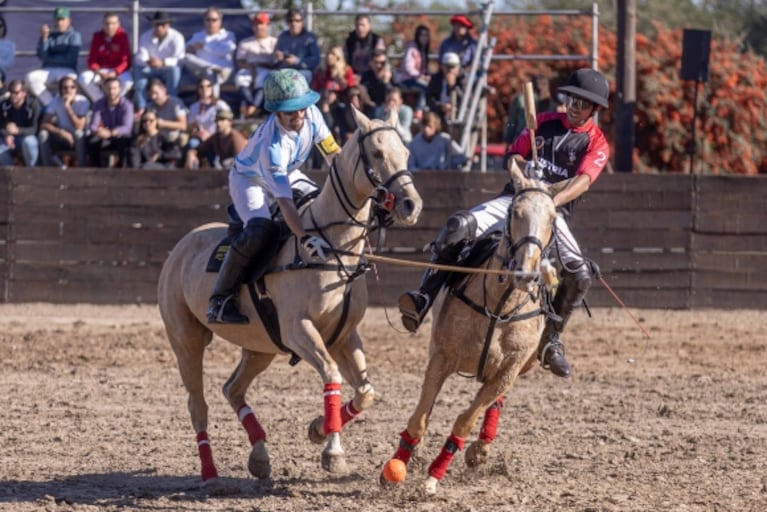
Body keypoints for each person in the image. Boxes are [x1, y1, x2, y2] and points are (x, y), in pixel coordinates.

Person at [398, 68, 611, 379]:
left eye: (583, 103)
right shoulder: (543, 123)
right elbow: (513, 156)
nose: (575, 107)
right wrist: (523, 174)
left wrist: (550, 198)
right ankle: (423, 299)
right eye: (572, 99)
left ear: (595, 109)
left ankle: (550, 341)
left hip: (552, 212)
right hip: (515, 200)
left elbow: (583, 181)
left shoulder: (597, 143)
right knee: (457, 227)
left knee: (579, 274)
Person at [207, 68, 342, 324]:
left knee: (319, 205)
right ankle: (220, 300)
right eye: (291, 110)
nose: (299, 114)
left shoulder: (313, 114)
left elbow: (334, 155)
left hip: (289, 170)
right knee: (260, 229)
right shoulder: (273, 146)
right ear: (276, 111)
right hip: (250, 179)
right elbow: (285, 201)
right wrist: (304, 238)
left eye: (302, 107)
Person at [26, 7, 82, 107]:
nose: (60, 23)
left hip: (67, 69)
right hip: (48, 69)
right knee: (31, 77)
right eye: (58, 20)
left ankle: (66, 107)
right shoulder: (48, 35)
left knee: (69, 82)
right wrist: (44, 39)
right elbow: (42, 56)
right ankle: (51, 105)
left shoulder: (75, 35)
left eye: (62, 19)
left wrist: (50, 58)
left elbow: (70, 58)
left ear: (69, 20)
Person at [133, 11, 186, 114]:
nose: (159, 27)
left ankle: (171, 104)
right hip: (150, 67)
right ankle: (142, 108)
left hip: (166, 68)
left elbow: (179, 58)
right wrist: (148, 61)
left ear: (168, 25)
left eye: (162, 25)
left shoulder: (177, 37)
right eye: (157, 24)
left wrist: (163, 62)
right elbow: (140, 56)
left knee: (174, 71)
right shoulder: (145, 36)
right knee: (138, 71)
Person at [78, 12, 133, 103]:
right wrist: (99, 72)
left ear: (118, 24)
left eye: (113, 24)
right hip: (101, 70)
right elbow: (92, 60)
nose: (110, 26)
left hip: (117, 71)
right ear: (103, 24)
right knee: (83, 78)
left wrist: (115, 72)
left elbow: (126, 61)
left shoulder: (123, 36)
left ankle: (115, 102)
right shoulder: (97, 36)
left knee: (128, 82)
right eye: (107, 23)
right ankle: (101, 102)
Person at [183, 7, 237, 98]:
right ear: (204, 21)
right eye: (208, 20)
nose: (210, 23)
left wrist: (204, 47)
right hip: (201, 71)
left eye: (214, 20)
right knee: (186, 57)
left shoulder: (228, 35)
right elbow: (184, 50)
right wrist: (190, 48)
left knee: (210, 73)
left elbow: (227, 50)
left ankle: (214, 101)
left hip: (223, 72)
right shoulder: (198, 35)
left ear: (220, 21)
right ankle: (212, 67)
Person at [38, 76, 90, 168]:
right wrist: (61, 132)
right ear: (60, 90)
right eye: (65, 88)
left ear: (76, 89)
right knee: (43, 134)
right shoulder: (56, 100)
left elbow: (79, 126)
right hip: (62, 135)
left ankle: (82, 168)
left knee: (78, 133)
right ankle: (46, 169)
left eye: (72, 87)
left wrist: (67, 106)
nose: (68, 90)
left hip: (79, 137)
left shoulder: (83, 101)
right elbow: (44, 123)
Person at [234, 12, 277, 118]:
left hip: (266, 69)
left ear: (267, 25)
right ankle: (251, 104)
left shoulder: (274, 42)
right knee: (240, 77)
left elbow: (277, 62)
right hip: (249, 68)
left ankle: (253, 106)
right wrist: (251, 68)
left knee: (262, 78)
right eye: (256, 24)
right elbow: (240, 61)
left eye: (261, 23)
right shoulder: (245, 42)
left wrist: (261, 67)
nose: (258, 26)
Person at [87, 77, 134, 167]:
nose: (111, 91)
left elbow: (127, 127)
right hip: (105, 135)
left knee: (125, 141)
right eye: (109, 88)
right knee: (92, 141)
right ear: (104, 89)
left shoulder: (127, 105)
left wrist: (111, 132)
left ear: (119, 89)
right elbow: (93, 125)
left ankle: (122, 171)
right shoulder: (99, 104)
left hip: (120, 135)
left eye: (114, 88)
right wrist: (98, 131)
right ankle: (96, 171)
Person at [503, 75, 557, 146]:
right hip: (526, 140)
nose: (540, 88)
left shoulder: (552, 104)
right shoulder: (521, 101)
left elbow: (511, 123)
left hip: (537, 141)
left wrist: (508, 141)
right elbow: (511, 123)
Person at [0, 80, 42, 166]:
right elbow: (1, 124)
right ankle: (9, 173)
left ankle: (32, 171)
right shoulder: (4, 104)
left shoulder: (33, 105)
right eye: (11, 92)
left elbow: (35, 129)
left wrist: (17, 131)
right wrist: (6, 134)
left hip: (27, 137)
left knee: (29, 142)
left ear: (24, 93)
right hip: (10, 138)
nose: (12, 95)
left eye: (16, 92)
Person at [273, 9, 321, 84]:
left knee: (296, 78)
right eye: (291, 21)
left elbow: (316, 60)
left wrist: (296, 61)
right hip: (285, 70)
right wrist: (278, 58)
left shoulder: (310, 37)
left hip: (304, 72)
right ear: (287, 23)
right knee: (270, 77)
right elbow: (275, 59)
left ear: (302, 22)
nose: (294, 23)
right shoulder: (282, 37)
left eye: (297, 20)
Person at [186, 77, 231, 150]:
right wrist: (197, 132)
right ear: (198, 89)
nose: (205, 89)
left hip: (217, 137)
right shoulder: (194, 107)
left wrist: (210, 135)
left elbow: (228, 123)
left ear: (212, 88)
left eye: (208, 86)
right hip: (200, 138)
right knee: (192, 144)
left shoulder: (220, 105)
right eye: (201, 87)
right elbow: (191, 127)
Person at [396, 25, 431, 117]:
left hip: (417, 78)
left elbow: (423, 69)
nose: (424, 38)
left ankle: (427, 108)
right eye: (422, 35)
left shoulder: (423, 50)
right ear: (417, 36)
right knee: (424, 88)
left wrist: (427, 76)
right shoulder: (411, 47)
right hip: (406, 79)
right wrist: (421, 76)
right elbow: (408, 68)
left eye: (426, 35)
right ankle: (419, 110)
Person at [425, 52, 466, 129]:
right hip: (440, 110)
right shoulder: (436, 79)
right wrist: (441, 106)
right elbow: (429, 98)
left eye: (453, 67)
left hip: (458, 110)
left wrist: (453, 87)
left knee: (462, 119)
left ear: (458, 67)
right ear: (442, 67)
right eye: (447, 67)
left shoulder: (463, 79)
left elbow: (466, 99)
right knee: (430, 119)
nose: (450, 70)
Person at [145, 77, 188, 146]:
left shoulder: (176, 103)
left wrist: (164, 123)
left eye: (155, 93)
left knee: (183, 138)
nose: (153, 97)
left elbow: (183, 125)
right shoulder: (150, 106)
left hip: (174, 137)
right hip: (157, 138)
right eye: (151, 94)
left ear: (164, 90)